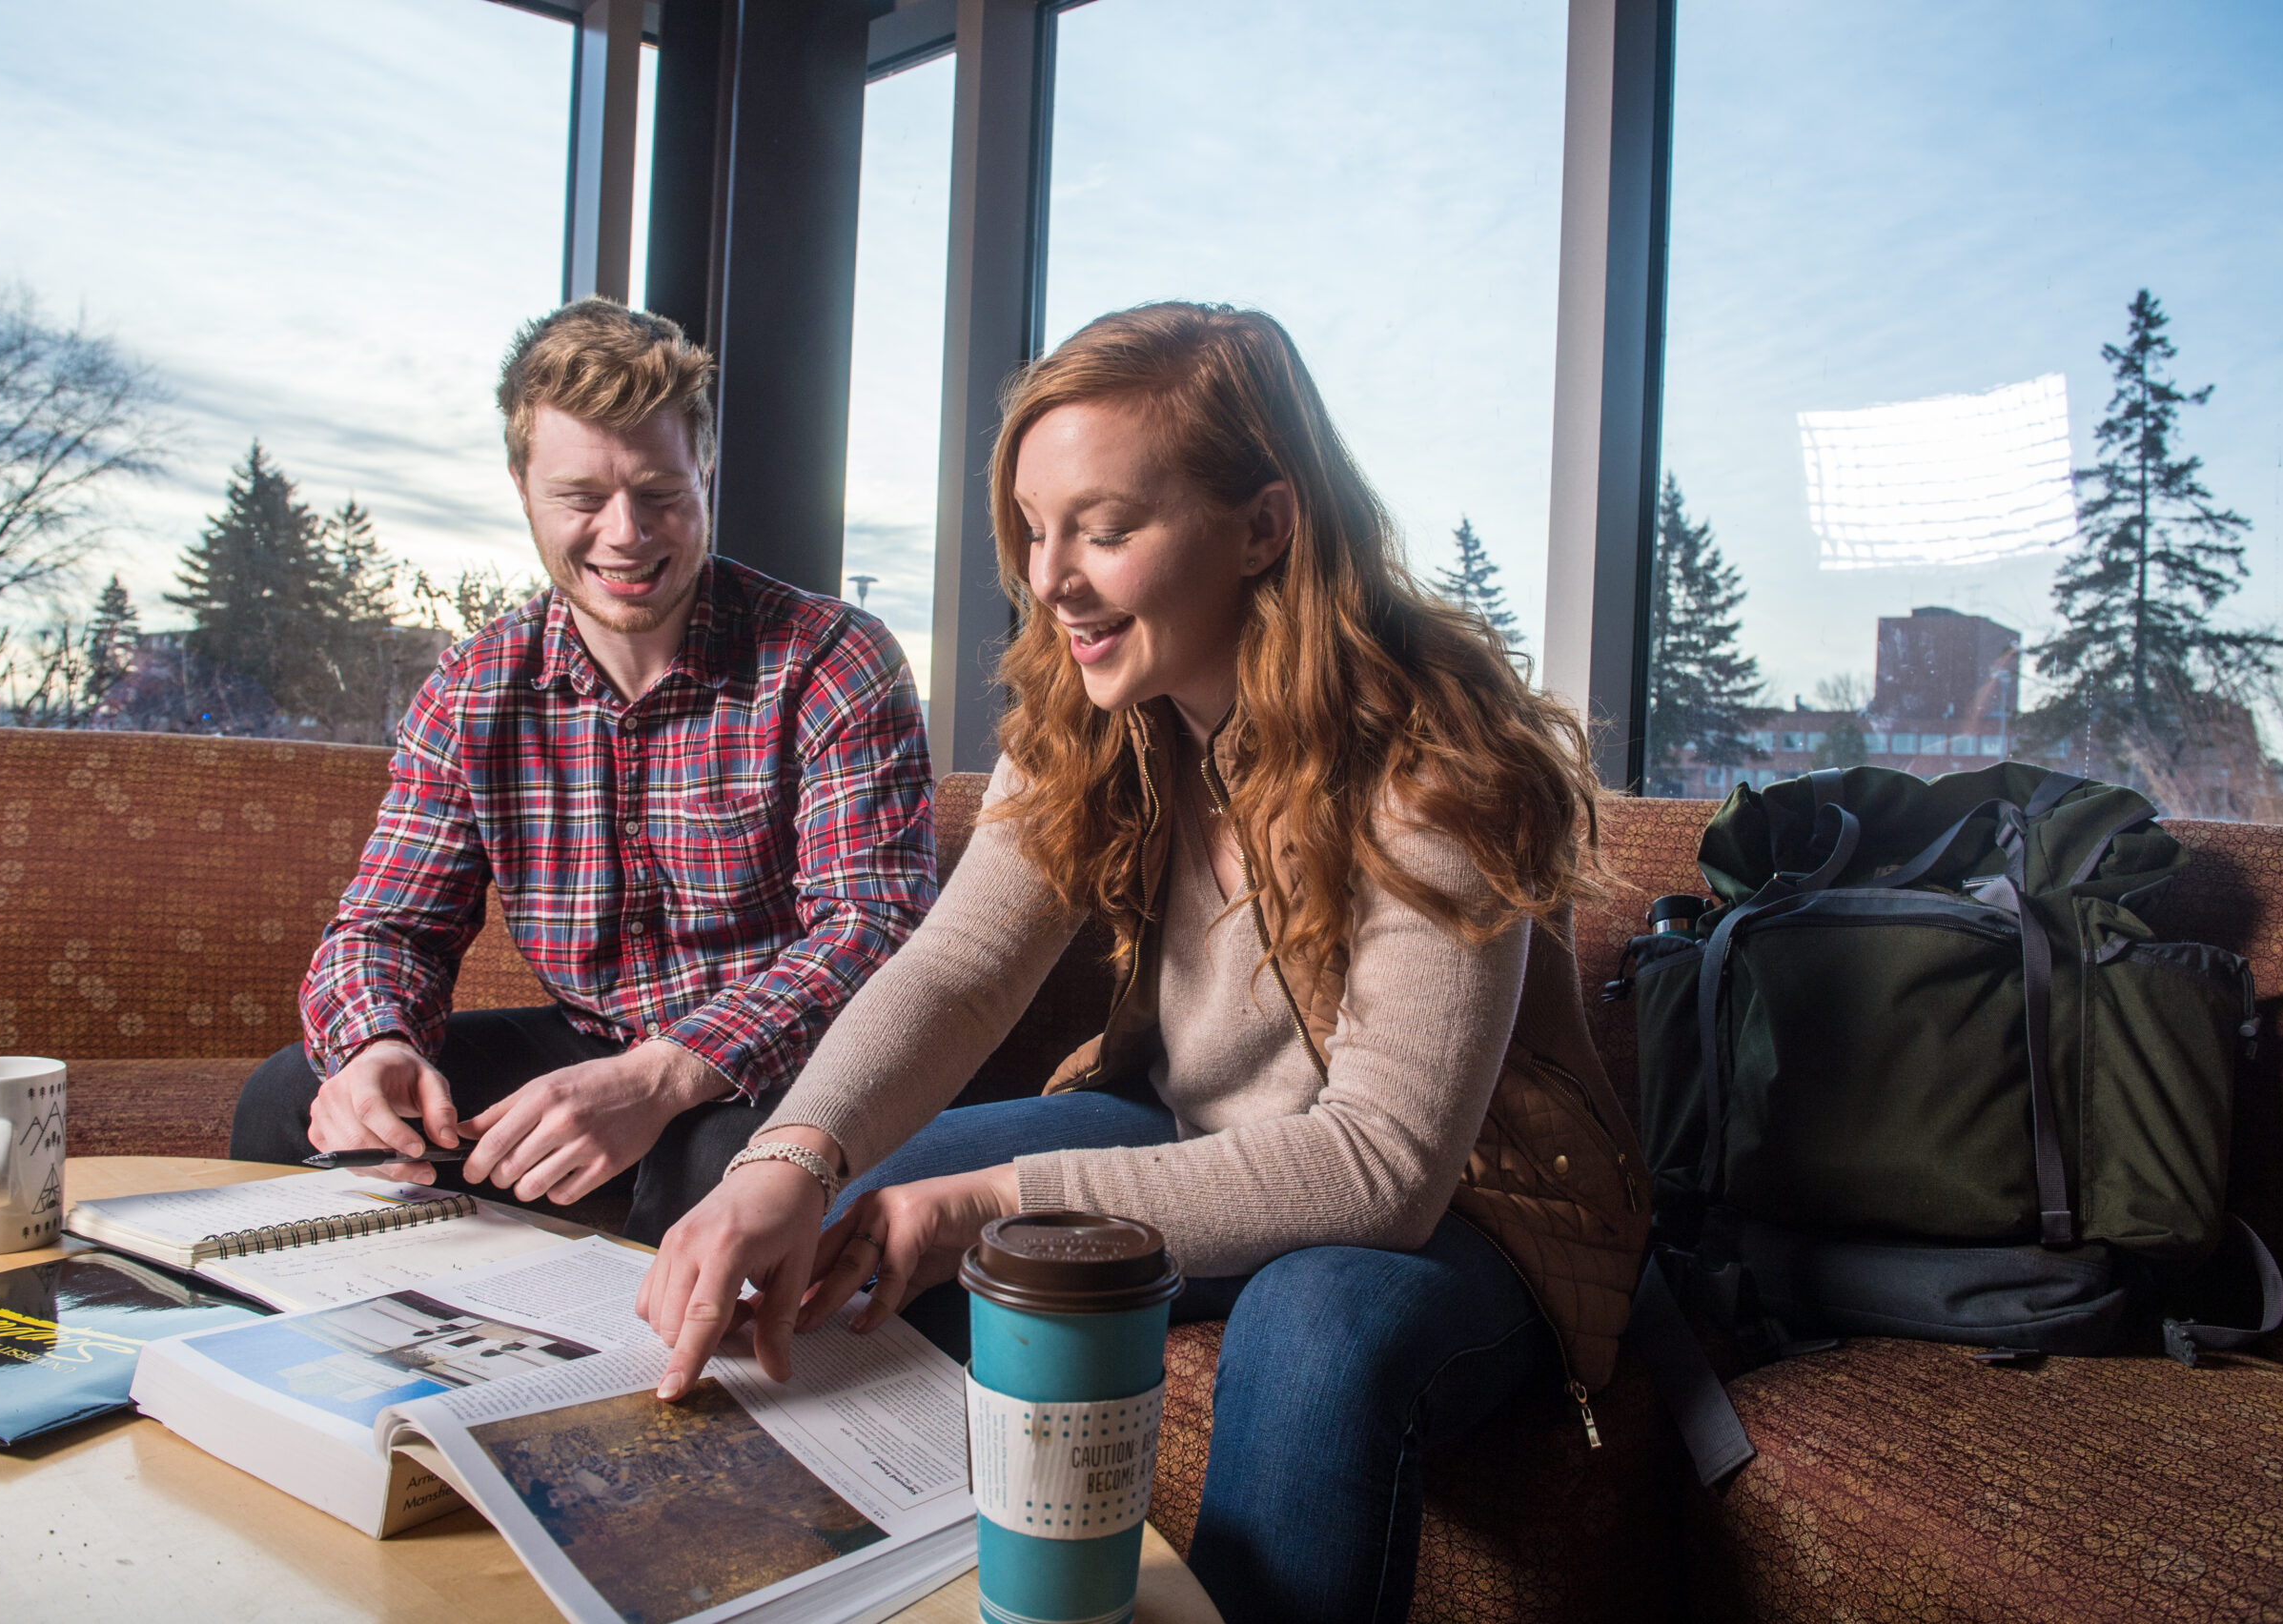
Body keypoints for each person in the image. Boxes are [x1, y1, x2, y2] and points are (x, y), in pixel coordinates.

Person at [633, 302, 1651, 1621]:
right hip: (1195, 1125)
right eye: (1037, 528)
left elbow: (1382, 1172)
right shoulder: (1097, 707)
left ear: (1264, 526)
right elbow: (962, 968)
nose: (1053, 578)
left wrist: (992, 1205)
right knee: (852, 1201)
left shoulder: (1445, 761)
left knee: (1313, 1333)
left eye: (1105, 530)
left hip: (1478, 1208)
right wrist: (792, 1153)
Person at [230, 298, 935, 1246]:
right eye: (581, 498)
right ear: (522, 486)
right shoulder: (473, 687)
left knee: (717, 1163)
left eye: (659, 492)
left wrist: (662, 1075)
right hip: (587, 1045)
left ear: (706, 473)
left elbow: (872, 931)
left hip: (780, 1068)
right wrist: (375, 1047)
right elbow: (388, 925)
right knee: (291, 1096)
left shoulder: (831, 658)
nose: (626, 534)